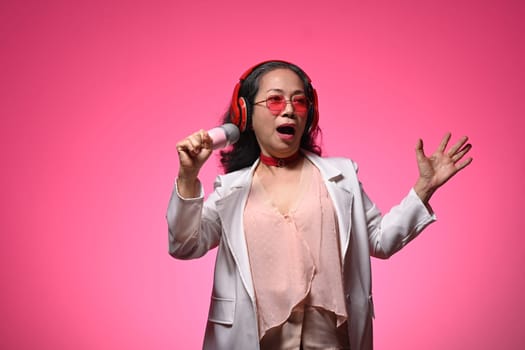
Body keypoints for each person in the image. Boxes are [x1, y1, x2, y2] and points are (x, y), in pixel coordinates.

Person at [166, 60, 472, 350]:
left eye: (299, 101)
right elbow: (184, 245)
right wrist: (188, 175)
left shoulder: (342, 178)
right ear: (245, 115)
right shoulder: (230, 192)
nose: (288, 109)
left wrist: (425, 187)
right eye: (275, 100)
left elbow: (380, 240)